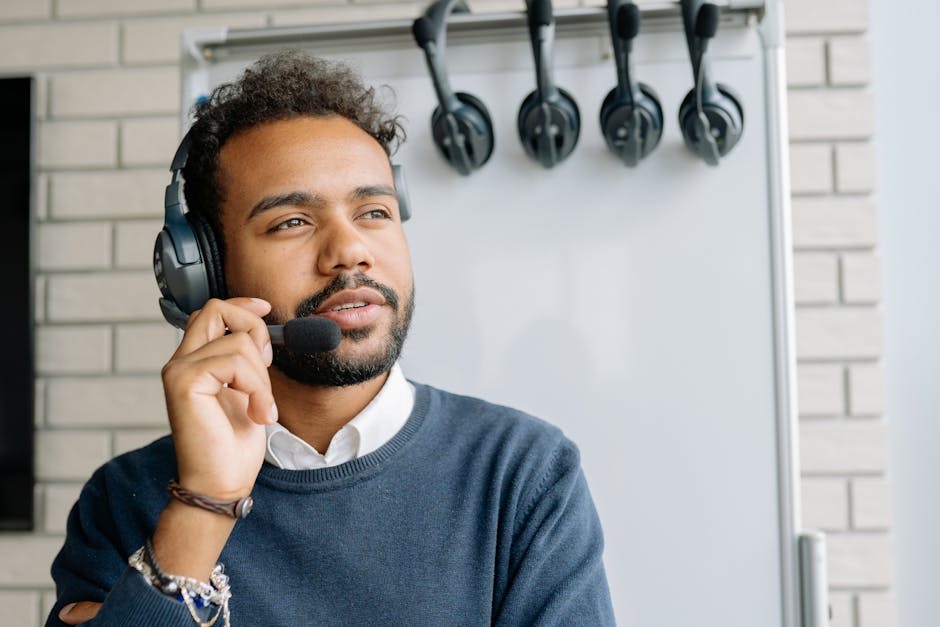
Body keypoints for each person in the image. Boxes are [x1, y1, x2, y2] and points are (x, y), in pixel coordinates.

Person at [47, 50, 614, 626]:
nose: (350, 250)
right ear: (206, 273)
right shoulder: (124, 499)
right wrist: (205, 504)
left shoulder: (525, 475)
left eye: (374, 211)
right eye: (292, 221)